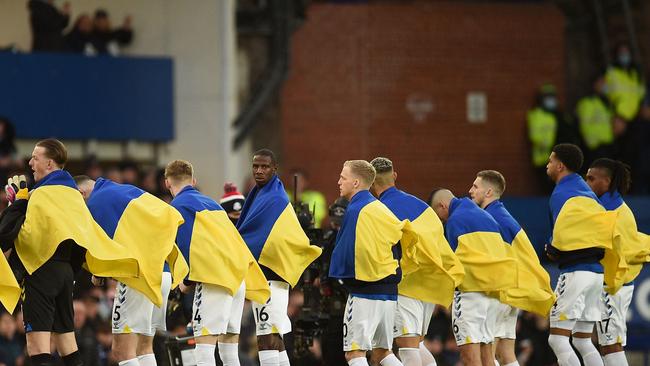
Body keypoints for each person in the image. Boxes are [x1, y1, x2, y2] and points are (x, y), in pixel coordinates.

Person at [0, 139, 139, 366]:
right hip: (65, 275)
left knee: (38, 347)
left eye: (36, 157)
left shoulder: (40, 195)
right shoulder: (74, 196)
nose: (30, 162)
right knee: (67, 342)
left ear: (50, 163)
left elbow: (12, 236)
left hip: (40, 272)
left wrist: (17, 204)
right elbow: (83, 238)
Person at [75, 175, 189, 366]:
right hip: (162, 272)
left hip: (139, 278)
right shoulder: (123, 190)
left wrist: (98, 272)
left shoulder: (96, 203)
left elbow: (103, 245)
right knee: (144, 347)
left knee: (121, 351)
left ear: (80, 193)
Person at [164, 160, 269, 366]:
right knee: (229, 351)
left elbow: (187, 247)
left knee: (203, 351)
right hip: (237, 278)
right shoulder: (211, 203)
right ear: (193, 181)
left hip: (214, 281)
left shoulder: (177, 206)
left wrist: (185, 281)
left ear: (167, 183)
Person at [369, 157, 464, 366]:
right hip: (429, 284)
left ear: (370, 182)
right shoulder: (421, 205)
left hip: (407, 285)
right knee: (417, 345)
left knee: (407, 347)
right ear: (394, 176)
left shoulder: (379, 210)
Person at [329, 159, 420, 366]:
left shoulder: (356, 210)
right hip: (388, 292)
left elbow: (348, 254)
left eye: (343, 177)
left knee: (354, 353)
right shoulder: (379, 207)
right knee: (383, 353)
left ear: (355, 183)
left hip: (365, 292)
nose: (338, 181)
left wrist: (343, 280)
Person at [236, 149, 322, 366]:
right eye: (255, 166)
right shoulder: (260, 194)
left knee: (266, 340)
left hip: (271, 279)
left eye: (264, 166)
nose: (259, 170)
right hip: (268, 278)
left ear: (274, 169)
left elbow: (258, 238)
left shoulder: (274, 198)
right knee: (275, 339)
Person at [544, 143, 622, 366]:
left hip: (575, 272)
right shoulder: (587, 192)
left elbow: (561, 237)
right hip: (596, 275)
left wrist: (551, 248)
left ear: (560, 166)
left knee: (557, 340)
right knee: (582, 341)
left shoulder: (562, 194)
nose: (547, 165)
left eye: (550, 161)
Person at [468, 170, 555, 366]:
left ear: (488, 192)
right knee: (506, 355)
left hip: (499, 293)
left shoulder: (490, 219)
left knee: (486, 355)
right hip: (510, 292)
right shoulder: (503, 215)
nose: (470, 191)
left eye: (475, 186)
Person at [430, 189, 517, 366]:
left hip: (470, 294)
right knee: (488, 357)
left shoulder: (455, 220)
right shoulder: (485, 216)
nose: (441, 221)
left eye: (439, 217)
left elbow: (454, 262)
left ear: (442, 205)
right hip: (493, 294)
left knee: (470, 359)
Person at [585, 158, 650, 366]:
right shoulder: (609, 206)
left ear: (607, 181)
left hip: (614, 286)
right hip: (613, 284)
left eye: (591, 178)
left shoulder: (612, 211)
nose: (587, 183)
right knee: (607, 343)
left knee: (611, 344)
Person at [527, 84, 578, 193]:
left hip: (560, 158)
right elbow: (535, 136)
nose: (550, 100)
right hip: (544, 159)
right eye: (547, 97)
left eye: (552, 96)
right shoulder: (536, 115)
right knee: (548, 189)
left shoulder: (559, 114)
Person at [319, 197, 349, 366]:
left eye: (340, 224)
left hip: (347, 307)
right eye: (334, 223)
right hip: (328, 309)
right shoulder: (328, 239)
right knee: (329, 352)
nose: (336, 228)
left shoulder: (352, 240)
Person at [575, 75, 616, 166]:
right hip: (595, 148)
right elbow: (584, 126)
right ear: (594, 84)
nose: (604, 85)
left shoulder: (606, 102)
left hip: (608, 145)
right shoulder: (587, 103)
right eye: (601, 83)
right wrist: (591, 144)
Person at [604, 43, 646, 122]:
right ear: (617, 55)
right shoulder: (611, 72)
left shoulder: (636, 73)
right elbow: (604, 92)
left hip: (637, 116)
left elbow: (642, 93)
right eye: (621, 53)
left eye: (626, 52)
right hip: (620, 117)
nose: (624, 55)